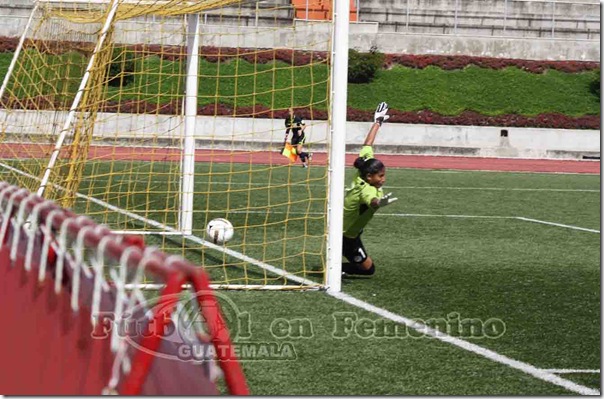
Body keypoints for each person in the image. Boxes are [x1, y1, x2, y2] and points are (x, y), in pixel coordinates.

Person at [341, 101, 398, 276]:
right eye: (380, 176)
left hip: (348, 229)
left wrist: (377, 122)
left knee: (366, 266)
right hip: (347, 236)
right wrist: (380, 202)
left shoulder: (364, 165)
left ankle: (334, 264)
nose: (383, 179)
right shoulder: (367, 189)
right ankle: (333, 268)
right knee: (368, 270)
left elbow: (368, 144)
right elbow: (372, 202)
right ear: (369, 177)